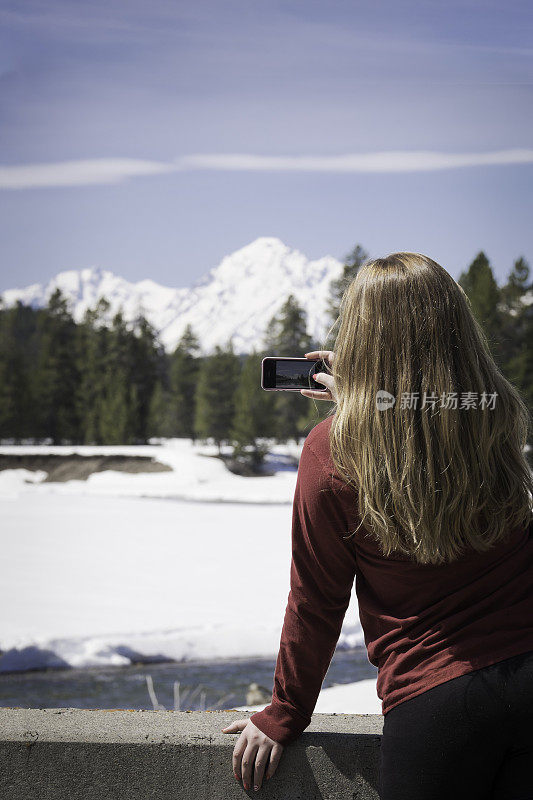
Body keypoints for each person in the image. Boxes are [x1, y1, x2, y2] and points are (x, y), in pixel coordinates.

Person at [221, 252, 533, 798]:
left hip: (437, 702)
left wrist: (285, 712)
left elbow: (316, 598)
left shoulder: (333, 450)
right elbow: (433, 414)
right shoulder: (496, 414)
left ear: (361, 336)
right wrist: (372, 397)